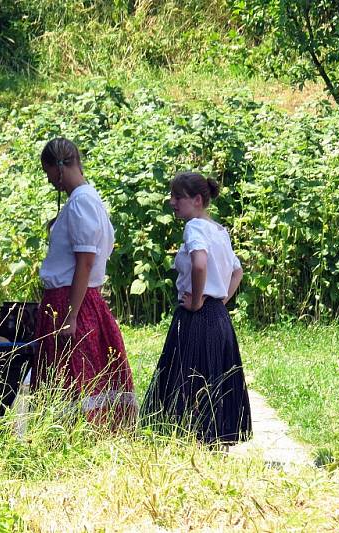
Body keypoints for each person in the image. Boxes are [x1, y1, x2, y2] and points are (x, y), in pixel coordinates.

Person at [141, 171, 252, 446]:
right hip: (218, 317)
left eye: (178, 197)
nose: (172, 202)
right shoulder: (219, 230)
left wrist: (198, 300)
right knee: (215, 376)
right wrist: (220, 300)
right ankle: (214, 442)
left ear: (198, 200)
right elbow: (237, 271)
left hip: (197, 315)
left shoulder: (195, 228)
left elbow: (200, 263)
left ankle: (188, 441)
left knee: (190, 377)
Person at [32, 138, 137, 427]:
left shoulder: (81, 202)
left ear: (60, 168)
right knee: (80, 370)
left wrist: (71, 314)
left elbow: (86, 261)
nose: (49, 180)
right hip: (79, 297)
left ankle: (77, 434)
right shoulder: (86, 199)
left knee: (76, 371)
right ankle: (75, 434)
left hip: (70, 299)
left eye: (48, 172)